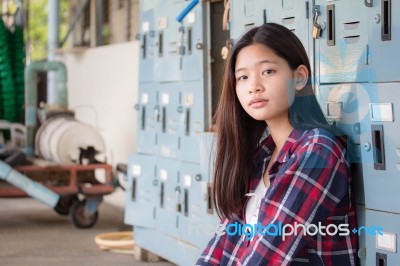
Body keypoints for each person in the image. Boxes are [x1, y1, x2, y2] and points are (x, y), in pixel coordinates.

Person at [196, 23, 358, 265]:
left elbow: (271, 252)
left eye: (268, 72)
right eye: (243, 77)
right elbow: (222, 245)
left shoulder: (318, 150)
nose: (254, 86)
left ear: (300, 77)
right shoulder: (261, 157)